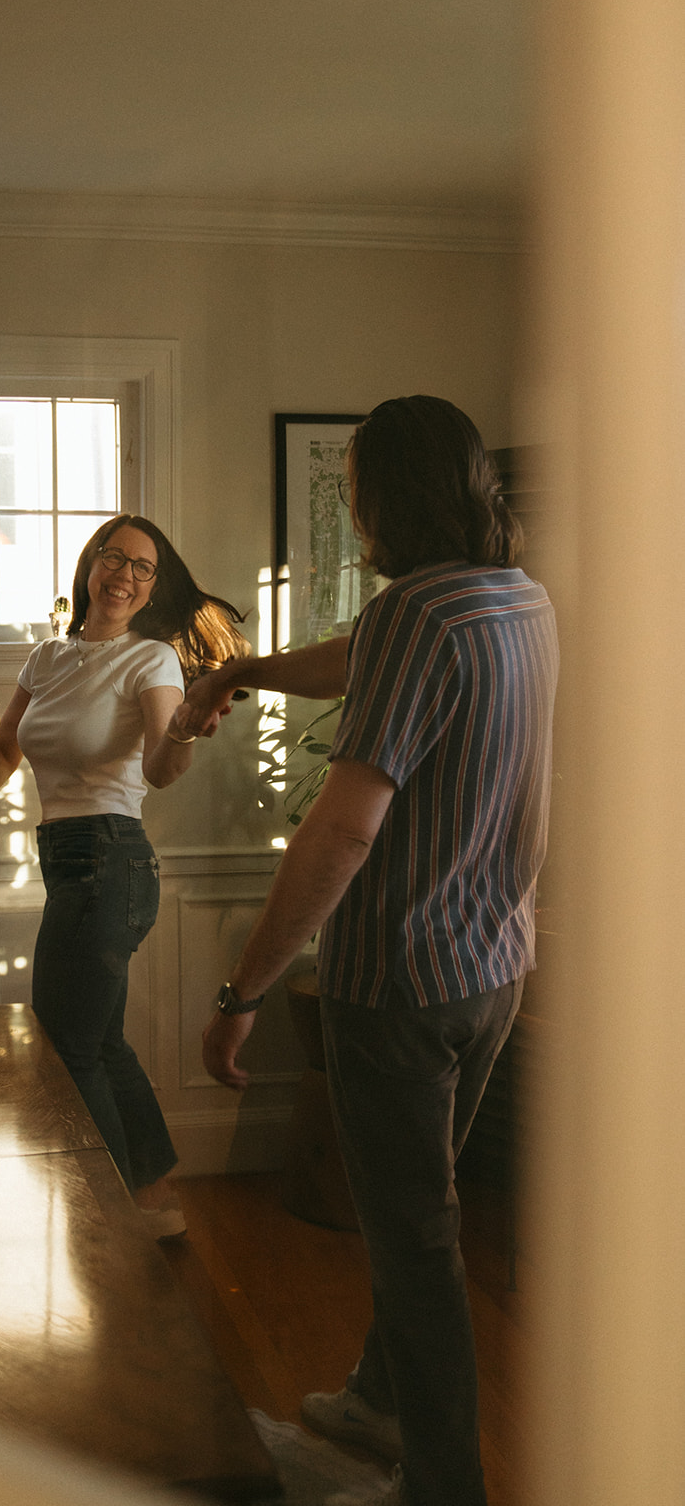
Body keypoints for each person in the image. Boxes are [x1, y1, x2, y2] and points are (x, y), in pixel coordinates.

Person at [178, 396, 558, 1506]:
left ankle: (441, 1484)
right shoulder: (512, 600)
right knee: (423, 1206)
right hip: (495, 965)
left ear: (382, 495)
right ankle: (379, 1400)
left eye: (353, 486)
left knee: (413, 1245)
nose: (349, 507)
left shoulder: (412, 613)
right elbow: (357, 658)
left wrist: (238, 989)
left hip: (396, 982)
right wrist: (240, 672)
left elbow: (342, 829)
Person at [0, 513, 247, 1240]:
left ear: (152, 589)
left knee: (66, 1044)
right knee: (101, 1041)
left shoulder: (149, 660)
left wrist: (181, 731)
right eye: (113, 558)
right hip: (71, 861)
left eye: (142, 567)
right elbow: (2, 744)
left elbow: (158, 768)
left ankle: (110, 1214)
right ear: (90, 566)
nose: (124, 574)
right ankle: (152, 1196)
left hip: (110, 860)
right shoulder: (48, 656)